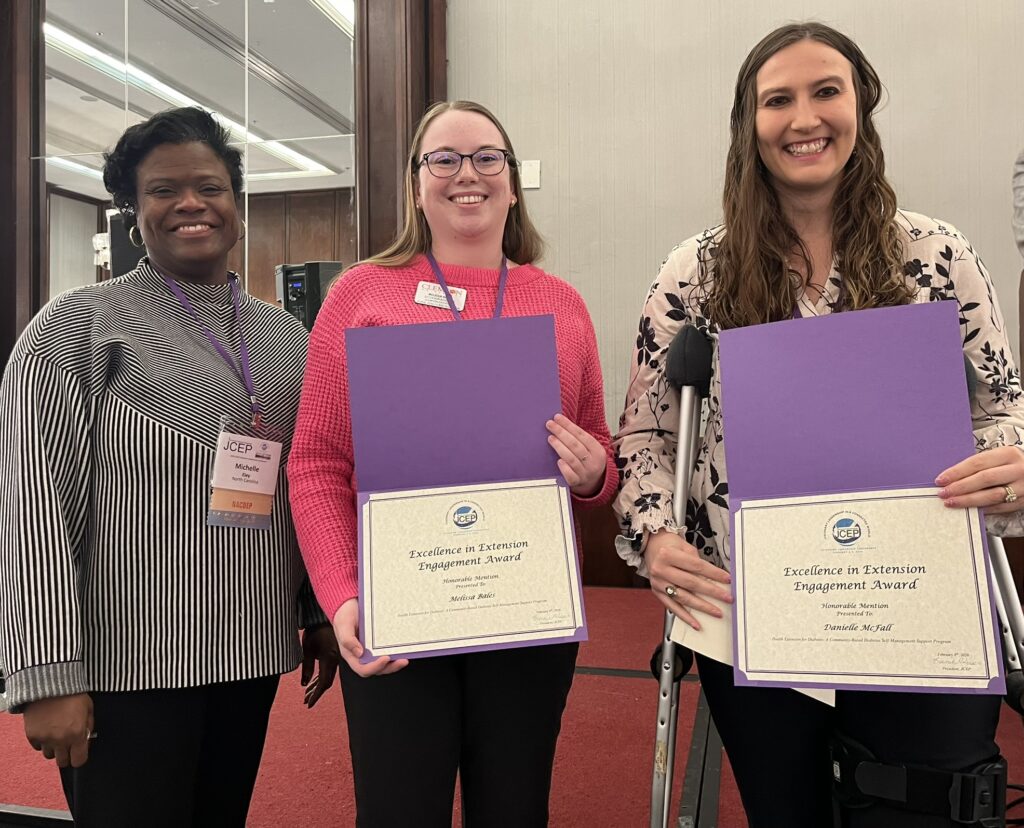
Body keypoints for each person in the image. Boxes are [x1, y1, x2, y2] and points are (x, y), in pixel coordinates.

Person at [614, 22, 1024, 828]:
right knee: (787, 812)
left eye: (825, 91)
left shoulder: (938, 254)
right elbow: (648, 436)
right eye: (779, 100)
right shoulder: (696, 271)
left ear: (861, 105)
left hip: (920, 600)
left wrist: (1005, 460)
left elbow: (1005, 403)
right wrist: (658, 536)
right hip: (755, 611)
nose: (805, 118)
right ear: (749, 124)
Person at [0, 106, 339, 828]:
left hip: (248, 653)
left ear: (236, 201)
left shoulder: (287, 340)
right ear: (133, 211)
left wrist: (317, 610)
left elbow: (308, 485)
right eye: (163, 190)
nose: (191, 203)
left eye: (209, 186)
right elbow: (31, 508)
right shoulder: (77, 327)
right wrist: (44, 674)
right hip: (124, 670)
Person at [288, 99, 617, 827]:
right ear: (416, 183)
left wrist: (595, 474)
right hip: (396, 614)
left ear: (511, 179)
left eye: (486, 157)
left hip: (526, 615)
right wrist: (342, 595)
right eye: (444, 159)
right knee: (399, 810)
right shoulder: (361, 295)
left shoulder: (560, 304)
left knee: (515, 809)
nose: (466, 174)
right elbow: (316, 463)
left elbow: (600, 455)